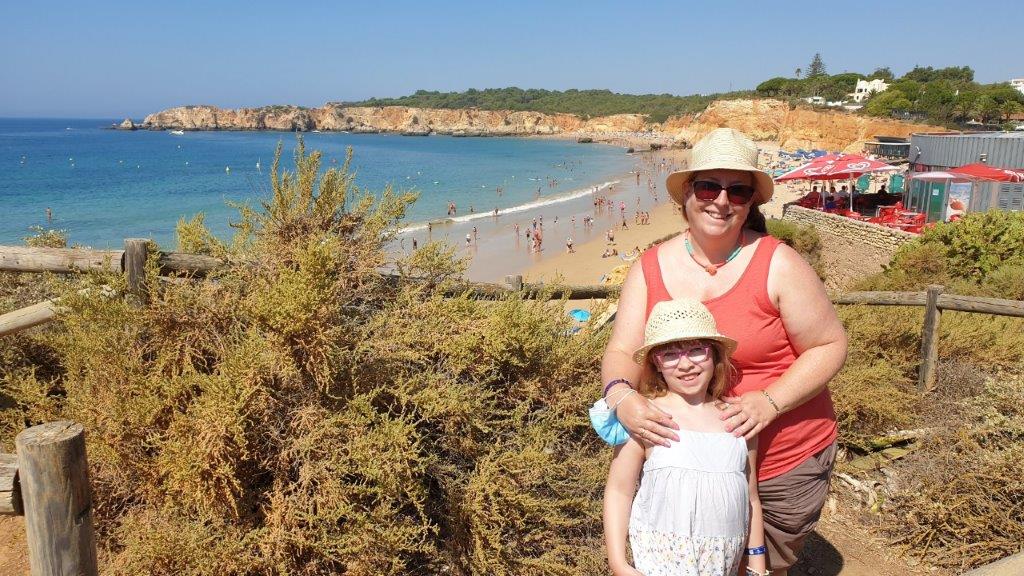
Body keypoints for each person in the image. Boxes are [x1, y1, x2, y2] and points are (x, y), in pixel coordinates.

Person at [600, 128, 847, 575]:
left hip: (783, 455)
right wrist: (623, 399)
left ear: (751, 202)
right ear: (687, 195)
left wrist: (770, 402)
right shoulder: (650, 266)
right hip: (685, 457)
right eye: (709, 186)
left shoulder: (780, 263)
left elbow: (830, 345)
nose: (721, 200)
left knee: (763, 566)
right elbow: (620, 349)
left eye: (738, 190)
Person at [604, 298, 766, 576]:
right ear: (656, 364)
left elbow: (751, 498)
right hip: (658, 566)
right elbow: (619, 490)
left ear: (714, 355)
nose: (685, 364)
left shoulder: (736, 418)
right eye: (670, 355)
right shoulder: (646, 416)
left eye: (696, 350)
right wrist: (618, 563)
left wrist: (758, 566)